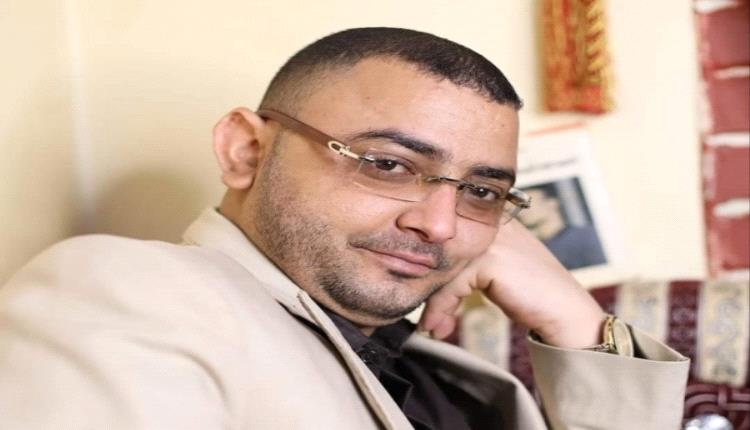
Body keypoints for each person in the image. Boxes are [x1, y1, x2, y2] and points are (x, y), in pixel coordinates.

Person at [0, 28, 688, 429]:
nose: (439, 224)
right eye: (387, 164)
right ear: (245, 150)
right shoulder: (123, 290)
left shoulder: (438, 371)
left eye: (481, 192)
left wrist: (579, 326)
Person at [518, 185, 607, 270]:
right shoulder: (528, 250)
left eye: (528, 205)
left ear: (552, 203)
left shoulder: (586, 237)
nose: (521, 211)